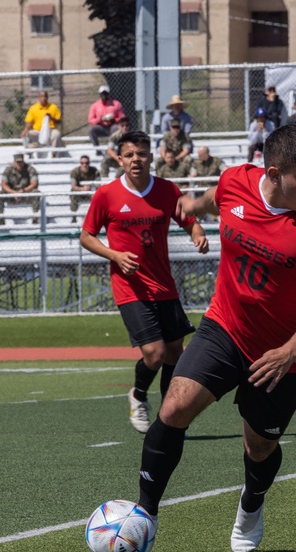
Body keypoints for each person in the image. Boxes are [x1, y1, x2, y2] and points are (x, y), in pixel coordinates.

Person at [133, 123, 296, 552]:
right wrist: (192, 205)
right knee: (174, 406)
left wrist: (290, 351)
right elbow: (212, 201)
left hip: (284, 354)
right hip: (224, 328)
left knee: (259, 445)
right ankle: (143, 516)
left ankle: (252, 502)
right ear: (273, 173)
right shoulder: (236, 180)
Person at [79, 130, 209, 433]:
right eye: (129, 155)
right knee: (155, 353)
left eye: (141, 153)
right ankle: (138, 395)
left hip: (163, 284)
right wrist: (114, 255)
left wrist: (198, 234)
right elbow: (86, 236)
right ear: (120, 159)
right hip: (130, 287)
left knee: (175, 352)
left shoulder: (166, 190)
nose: (135, 159)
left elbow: (190, 220)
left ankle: (167, 417)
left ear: (151, 155)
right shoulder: (106, 194)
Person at [0, 153, 41, 225]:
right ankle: (1, 218)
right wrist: (13, 193)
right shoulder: (8, 170)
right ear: (14, 162)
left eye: (21, 162)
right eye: (17, 162)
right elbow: (3, 184)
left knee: (36, 192)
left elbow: (34, 183)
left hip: (26, 194)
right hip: (11, 194)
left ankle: (35, 217)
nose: (19, 164)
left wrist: (23, 191)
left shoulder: (30, 169)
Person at [69, 156, 99, 222]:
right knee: (73, 194)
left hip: (90, 192)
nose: (84, 165)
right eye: (82, 163)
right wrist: (83, 188)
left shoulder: (94, 171)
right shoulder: (75, 172)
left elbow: (98, 184)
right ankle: (74, 218)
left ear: (89, 163)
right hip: (79, 192)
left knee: (98, 196)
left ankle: (96, 218)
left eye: (86, 163)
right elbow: (73, 186)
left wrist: (93, 191)